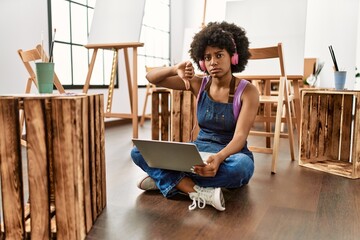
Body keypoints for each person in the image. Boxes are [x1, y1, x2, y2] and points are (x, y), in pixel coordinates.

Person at [131, 21, 259, 211]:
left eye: (219, 55)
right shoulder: (198, 83)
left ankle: (167, 180)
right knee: (137, 152)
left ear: (233, 57)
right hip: (197, 153)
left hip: (229, 154)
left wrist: (219, 157)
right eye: (207, 57)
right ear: (201, 62)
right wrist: (175, 69)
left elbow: (240, 137)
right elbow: (151, 78)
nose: (213, 62)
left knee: (242, 168)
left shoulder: (248, 91)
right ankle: (194, 190)